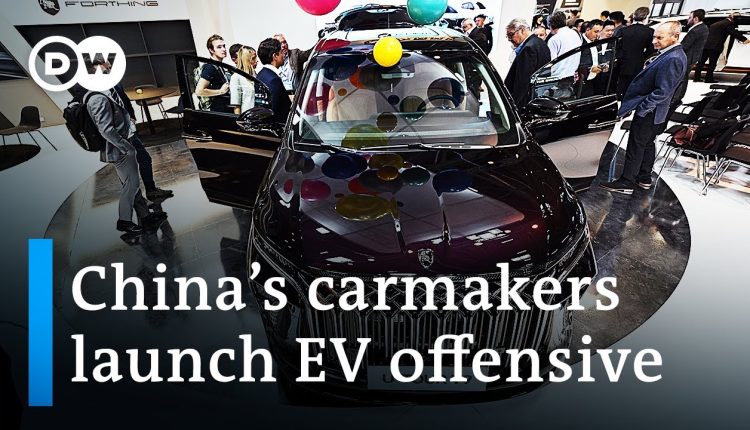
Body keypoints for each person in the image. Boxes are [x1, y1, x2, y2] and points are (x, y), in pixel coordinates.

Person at [601, 22, 687, 195]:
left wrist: (643, 108)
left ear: (675, 36)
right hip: (654, 111)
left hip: (651, 112)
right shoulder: (670, 54)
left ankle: (627, 181)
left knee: (636, 145)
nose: (654, 41)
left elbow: (663, 91)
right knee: (647, 144)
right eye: (654, 37)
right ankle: (644, 177)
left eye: (659, 37)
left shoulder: (673, 58)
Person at [72, 81, 167, 234]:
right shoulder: (98, 99)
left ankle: (145, 217)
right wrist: (126, 147)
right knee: (131, 186)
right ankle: (124, 221)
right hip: (118, 149)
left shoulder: (99, 95)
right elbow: (106, 130)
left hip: (121, 145)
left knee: (131, 185)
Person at [93, 58, 173, 201]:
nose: (110, 70)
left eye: (110, 67)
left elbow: (123, 98)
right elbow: (103, 123)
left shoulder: (113, 81)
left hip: (128, 130)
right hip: (116, 135)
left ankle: (150, 191)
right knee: (127, 170)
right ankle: (137, 200)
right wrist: (121, 143)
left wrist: (132, 116)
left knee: (144, 159)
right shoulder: (95, 91)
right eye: (106, 68)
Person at [505, 18, 551, 106]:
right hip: (537, 96)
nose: (509, 39)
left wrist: (513, 105)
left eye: (511, 34)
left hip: (525, 101)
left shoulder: (528, 48)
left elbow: (522, 82)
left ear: (522, 30)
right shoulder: (541, 43)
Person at [694, 12, 750, 83]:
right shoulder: (728, 24)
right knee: (712, 64)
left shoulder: (717, 23)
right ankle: (708, 79)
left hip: (706, 45)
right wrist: (744, 39)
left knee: (701, 62)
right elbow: (734, 33)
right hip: (715, 46)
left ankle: (697, 78)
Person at [671, 9, 708, 110]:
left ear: (695, 19)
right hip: (693, 57)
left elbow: (685, 45)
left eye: (690, 17)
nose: (688, 19)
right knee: (684, 77)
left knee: (681, 78)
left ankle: (676, 98)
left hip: (687, 57)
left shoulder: (695, 30)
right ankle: (679, 97)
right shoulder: (704, 28)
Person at [615, 7, 656, 99]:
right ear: (646, 17)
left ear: (633, 16)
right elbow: (651, 50)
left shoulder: (623, 30)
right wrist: (642, 56)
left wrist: (621, 56)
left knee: (620, 86)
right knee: (632, 88)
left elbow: (617, 47)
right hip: (638, 62)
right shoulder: (650, 32)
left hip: (622, 63)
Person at [257, 37, 292, 124]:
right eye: (281, 52)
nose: (283, 55)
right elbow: (274, 110)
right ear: (275, 56)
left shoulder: (261, 74)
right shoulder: (274, 80)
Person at [195, 34, 232, 113]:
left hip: (224, 108)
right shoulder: (210, 67)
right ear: (211, 50)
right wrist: (220, 91)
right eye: (219, 47)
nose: (224, 49)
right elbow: (199, 91)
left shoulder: (219, 65)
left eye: (224, 46)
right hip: (218, 111)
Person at [547, 11, 582, 77]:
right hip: (572, 74)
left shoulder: (554, 39)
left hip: (558, 77)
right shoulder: (575, 34)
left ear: (551, 26)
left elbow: (551, 62)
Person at [579, 20, 604, 97]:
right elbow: (577, 61)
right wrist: (590, 69)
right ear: (588, 30)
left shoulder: (597, 42)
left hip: (596, 78)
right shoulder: (579, 42)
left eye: (600, 32)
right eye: (596, 32)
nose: (598, 35)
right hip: (582, 80)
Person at [230, 46, 258, 115]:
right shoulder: (236, 77)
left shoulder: (255, 74)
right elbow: (236, 105)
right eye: (253, 58)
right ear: (246, 60)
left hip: (259, 115)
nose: (257, 60)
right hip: (247, 116)